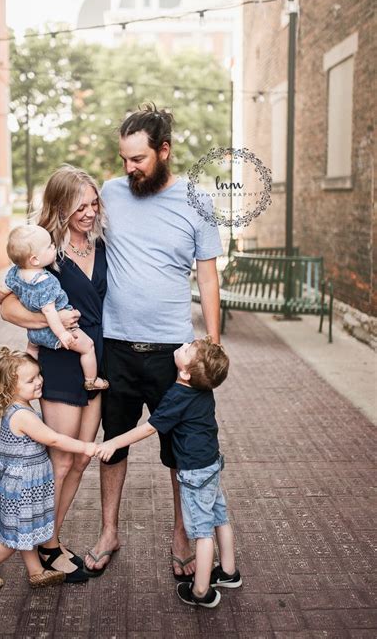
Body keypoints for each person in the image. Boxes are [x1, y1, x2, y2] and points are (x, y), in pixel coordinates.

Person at [84, 103, 223, 579]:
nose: (129, 168)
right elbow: (79, 241)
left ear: (164, 151)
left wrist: (213, 346)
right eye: (124, 158)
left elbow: (207, 278)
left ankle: (182, 534)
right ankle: (109, 532)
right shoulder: (110, 193)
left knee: (179, 452)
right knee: (114, 444)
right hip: (116, 347)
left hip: (175, 354)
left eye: (139, 159)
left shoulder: (197, 201)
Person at [0, 166, 107, 583]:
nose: (89, 212)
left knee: (80, 457)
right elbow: (6, 306)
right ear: (60, 206)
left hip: (96, 359)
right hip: (61, 361)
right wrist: (50, 322)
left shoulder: (103, 243)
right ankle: (48, 544)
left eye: (94, 203)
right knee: (60, 461)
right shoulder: (42, 249)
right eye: (80, 205)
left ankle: (50, 539)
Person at [95, 337, 241, 608]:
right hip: (211, 465)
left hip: (195, 473)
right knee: (220, 517)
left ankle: (200, 591)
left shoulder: (178, 395)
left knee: (202, 532)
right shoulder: (202, 389)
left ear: (185, 372)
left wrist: (114, 441)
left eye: (187, 350)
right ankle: (230, 572)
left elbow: (149, 427)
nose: (184, 345)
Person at [0, 347, 97, 590]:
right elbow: (53, 439)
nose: (39, 381)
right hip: (21, 487)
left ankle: (36, 571)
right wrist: (85, 446)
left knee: (26, 531)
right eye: (31, 380)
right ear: (9, 387)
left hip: (22, 483)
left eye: (39, 375)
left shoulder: (20, 406)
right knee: (14, 539)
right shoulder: (23, 415)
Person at [0, 224, 108, 391]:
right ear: (34, 259)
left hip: (34, 334)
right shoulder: (46, 282)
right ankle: (91, 380)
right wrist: (63, 333)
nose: (54, 246)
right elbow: (50, 312)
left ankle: (29, 375)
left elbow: (2, 292)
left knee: (32, 352)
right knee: (88, 347)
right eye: (49, 247)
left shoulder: (14, 274)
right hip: (57, 331)